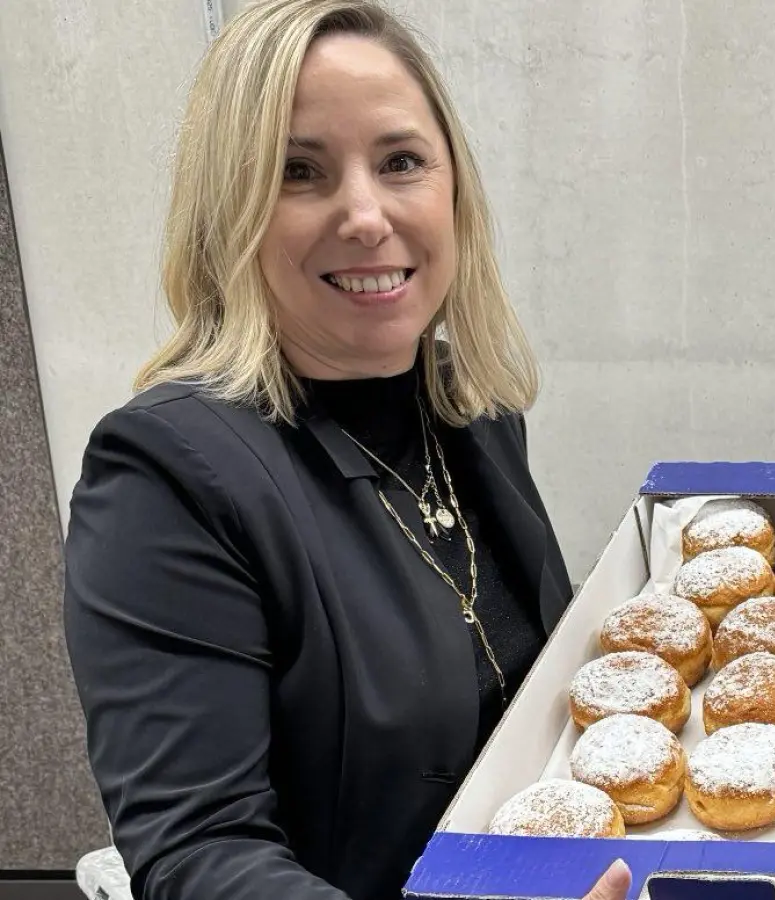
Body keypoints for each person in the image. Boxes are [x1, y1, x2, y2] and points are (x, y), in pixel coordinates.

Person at [61, 2, 626, 898]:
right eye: (299, 172)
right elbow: (197, 855)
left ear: (452, 189)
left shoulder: (469, 413)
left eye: (400, 161)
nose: (366, 214)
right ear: (230, 213)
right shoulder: (165, 475)